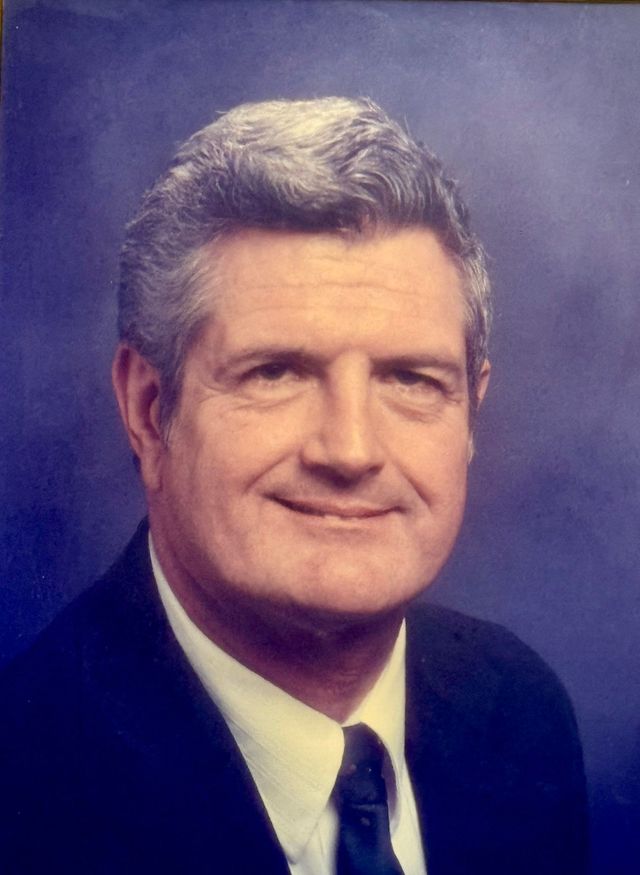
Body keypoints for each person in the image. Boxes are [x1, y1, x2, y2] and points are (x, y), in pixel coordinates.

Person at [0, 97, 588, 874]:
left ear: (471, 412)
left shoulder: (520, 713)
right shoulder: (24, 786)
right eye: (275, 372)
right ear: (148, 409)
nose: (350, 450)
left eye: (411, 379)